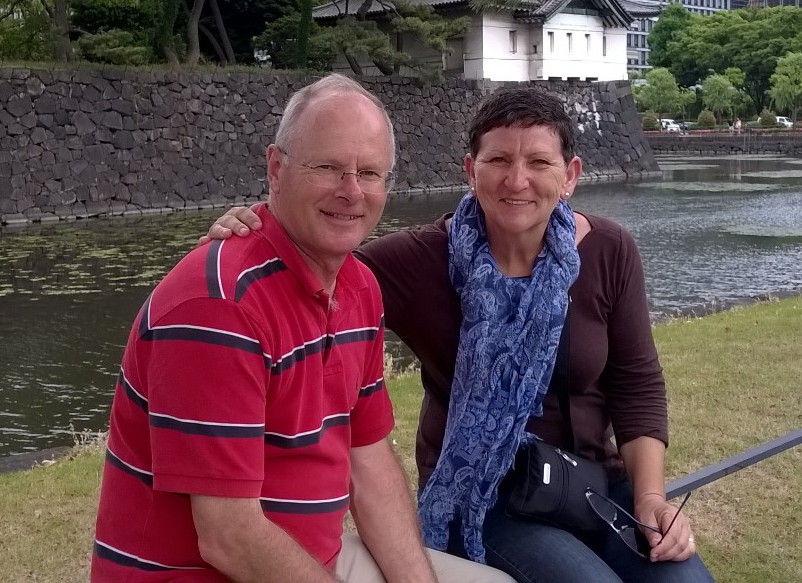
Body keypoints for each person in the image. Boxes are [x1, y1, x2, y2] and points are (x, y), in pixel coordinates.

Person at [206, 88, 714, 583]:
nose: (517, 180)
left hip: (592, 485)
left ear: (570, 176)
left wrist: (650, 500)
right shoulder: (420, 261)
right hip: (482, 495)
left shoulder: (608, 251)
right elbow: (308, 273)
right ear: (471, 170)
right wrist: (257, 229)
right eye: (498, 161)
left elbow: (636, 383)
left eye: (539, 162)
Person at [92, 74, 512, 583]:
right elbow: (229, 536)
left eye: (370, 172)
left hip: (316, 558)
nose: (351, 191)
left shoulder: (359, 288)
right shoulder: (219, 305)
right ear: (276, 168)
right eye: (328, 167)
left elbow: (368, 462)